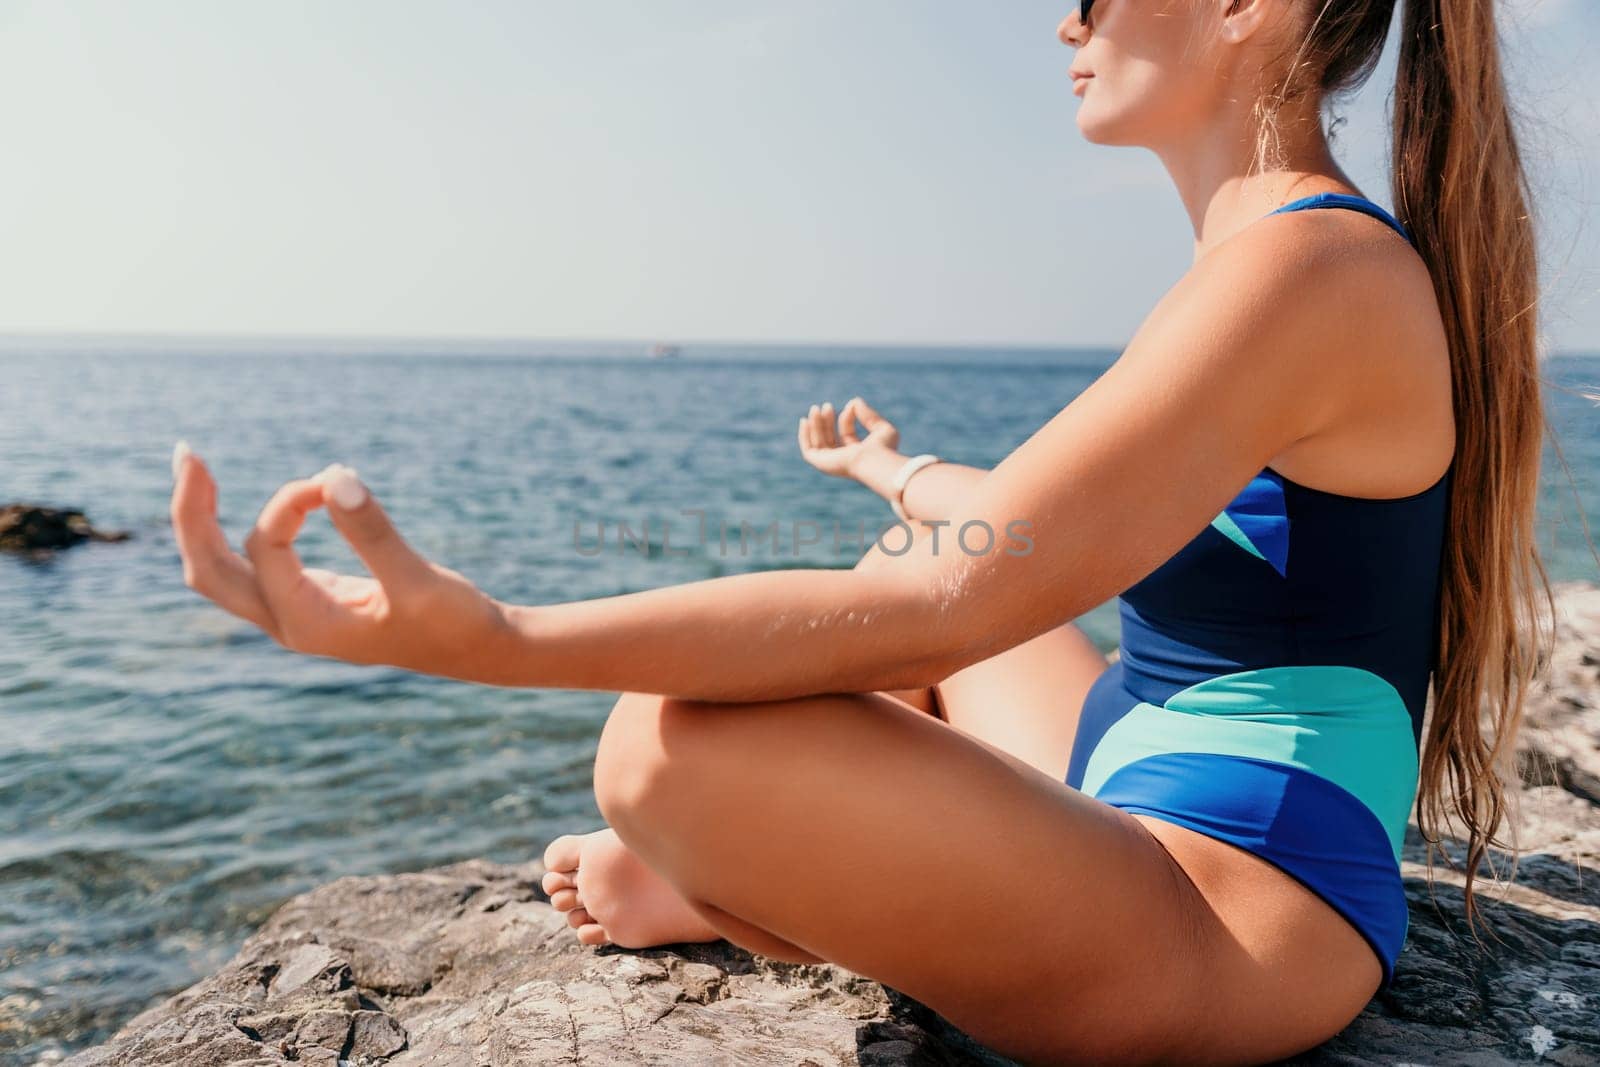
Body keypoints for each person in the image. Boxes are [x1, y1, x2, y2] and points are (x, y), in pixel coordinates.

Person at [170, 1, 1555, 1062]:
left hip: (1248, 915)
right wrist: (900, 475)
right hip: (1142, 760)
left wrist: (496, 638)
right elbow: (1014, 532)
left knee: (665, 745)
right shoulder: (1278, 261)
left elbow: (961, 601)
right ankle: (803, 870)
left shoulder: (1310, 273)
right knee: (881, 579)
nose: (1066, 22)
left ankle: (743, 884)